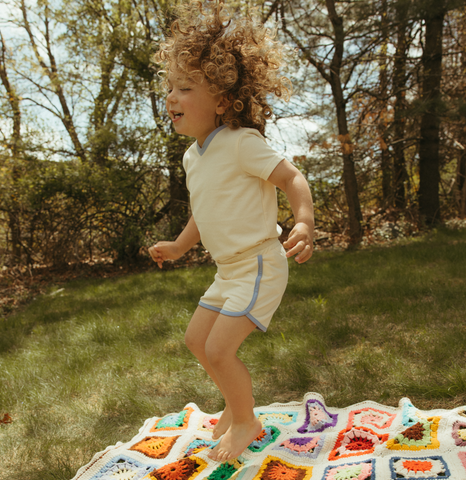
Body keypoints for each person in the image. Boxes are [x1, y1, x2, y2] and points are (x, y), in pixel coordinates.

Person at [148, 0, 314, 463]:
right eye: (170, 88)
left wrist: (303, 220)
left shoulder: (242, 142)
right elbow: (205, 209)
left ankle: (246, 420)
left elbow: (291, 178)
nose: (172, 98)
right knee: (197, 342)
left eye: (185, 88)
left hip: (260, 262)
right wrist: (180, 244)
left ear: (222, 100)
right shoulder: (192, 157)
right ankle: (237, 407)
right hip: (228, 270)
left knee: (220, 350)